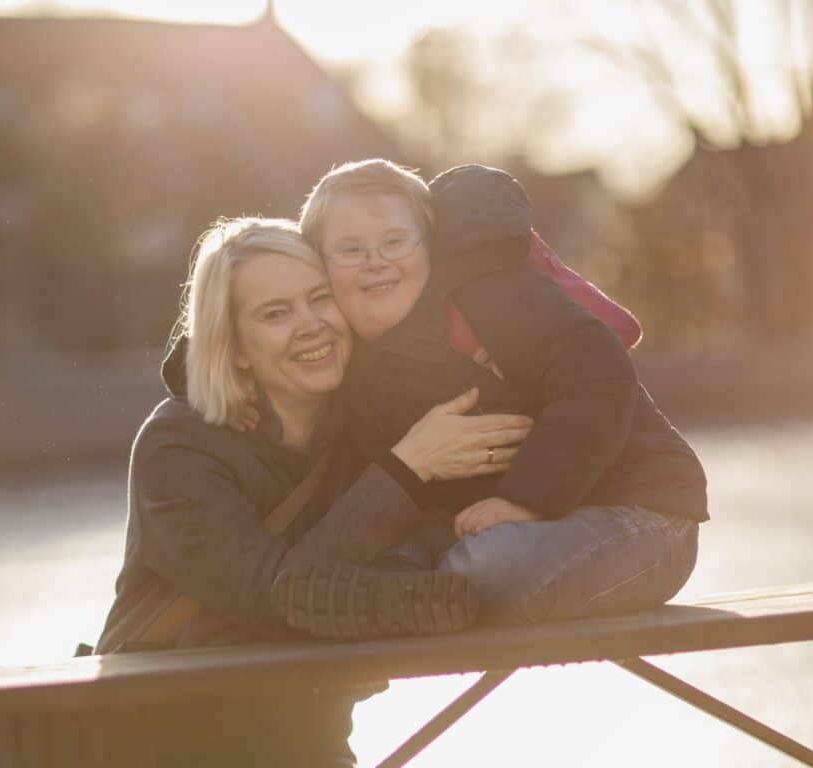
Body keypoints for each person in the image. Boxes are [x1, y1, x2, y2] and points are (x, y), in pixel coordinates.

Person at [94, 217, 533, 766]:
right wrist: (407, 469)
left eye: (319, 299)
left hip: (308, 738)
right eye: (276, 314)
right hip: (161, 744)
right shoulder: (177, 447)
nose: (310, 325)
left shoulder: (369, 424)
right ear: (234, 346)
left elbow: (431, 543)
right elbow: (276, 600)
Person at [280, 159, 708, 631]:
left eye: (395, 242)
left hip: (645, 520)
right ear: (319, 266)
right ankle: (394, 596)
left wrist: (528, 501)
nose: (375, 260)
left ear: (429, 244)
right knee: (401, 564)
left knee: (483, 569)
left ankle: (401, 601)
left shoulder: (487, 297)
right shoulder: (358, 370)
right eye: (349, 249)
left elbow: (600, 372)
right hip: (528, 530)